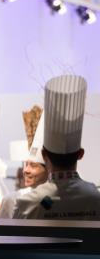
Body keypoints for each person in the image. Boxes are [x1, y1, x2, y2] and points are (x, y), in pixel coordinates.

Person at [13, 75, 100, 220]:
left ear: (44, 154)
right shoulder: (95, 198)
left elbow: (13, 240)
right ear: (80, 154)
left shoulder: (28, 203)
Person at [0, 108, 48, 218]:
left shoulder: (54, 200)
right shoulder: (12, 200)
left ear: (49, 169)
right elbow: (0, 233)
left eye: (33, 165)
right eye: (26, 164)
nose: (26, 170)